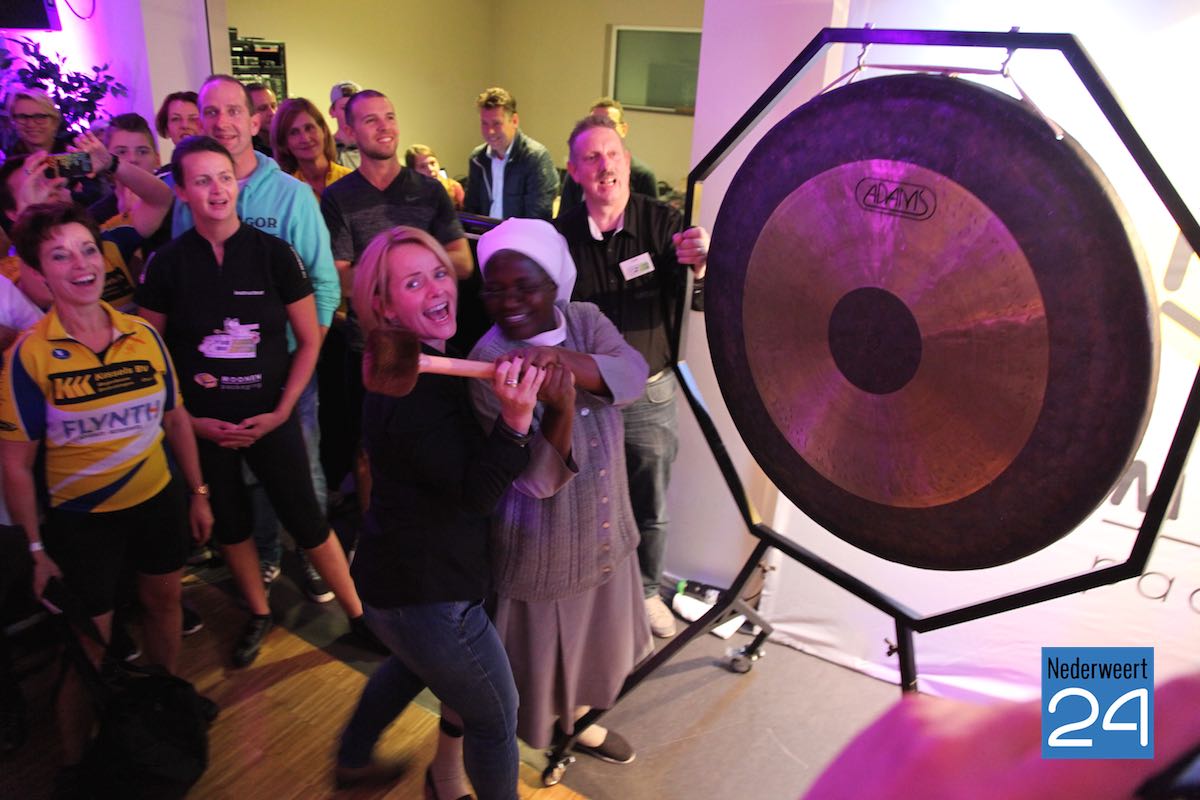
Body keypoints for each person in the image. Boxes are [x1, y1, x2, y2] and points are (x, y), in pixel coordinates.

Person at [0, 201, 212, 792]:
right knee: (86, 648)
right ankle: (73, 765)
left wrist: (198, 493)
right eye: (60, 255)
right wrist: (36, 548)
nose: (81, 265)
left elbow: (176, 419)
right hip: (83, 521)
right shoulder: (29, 356)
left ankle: (163, 709)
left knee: (164, 607)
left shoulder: (143, 334)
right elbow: (15, 465)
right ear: (39, 273)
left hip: (157, 500)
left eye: (88, 249)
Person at [136, 135, 367, 667]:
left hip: (271, 415)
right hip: (205, 425)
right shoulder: (168, 265)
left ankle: (358, 615)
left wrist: (284, 409)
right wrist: (190, 421)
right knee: (231, 522)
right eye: (202, 180)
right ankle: (259, 612)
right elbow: (152, 357)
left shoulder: (274, 254)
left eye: (224, 178)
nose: (217, 190)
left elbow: (309, 340)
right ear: (182, 191)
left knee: (307, 519)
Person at [336, 225, 544, 800]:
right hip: (430, 596)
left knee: (411, 667)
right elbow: (477, 494)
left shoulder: (422, 362)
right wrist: (516, 423)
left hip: (388, 579)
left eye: (437, 273)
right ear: (383, 306)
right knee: (495, 717)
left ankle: (351, 760)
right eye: (412, 283)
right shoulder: (411, 398)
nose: (436, 289)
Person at [469, 217, 652, 763]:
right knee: (540, 665)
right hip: (544, 545)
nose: (510, 302)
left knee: (596, 647)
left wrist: (562, 362)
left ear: (555, 283)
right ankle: (544, 737)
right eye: (495, 289)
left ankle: (581, 724)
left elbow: (633, 376)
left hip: (604, 525)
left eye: (525, 286)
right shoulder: (486, 363)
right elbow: (534, 479)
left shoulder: (585, 319)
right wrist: (562, 407)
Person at [171, 74, 342, 606]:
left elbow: (324, 283)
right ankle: (266, 556)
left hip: (285, 367)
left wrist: (304, 352)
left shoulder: (291, 194)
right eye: (210, 112)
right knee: (240, 477)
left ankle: (311, 558)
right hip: (219, 374)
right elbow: (184, 283)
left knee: (303, 470)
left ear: (254, 121)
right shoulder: (186, 196)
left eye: (232, 111)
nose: (221, 121)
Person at [556, 114, 710, 638]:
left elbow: (699, 296)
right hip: (587, 398)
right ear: (574, 170)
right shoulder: (560, 236)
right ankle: (592, 595)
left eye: (613, 154)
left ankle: (646, 592)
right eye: (592, 158)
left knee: (650, 502)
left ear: (626, 160)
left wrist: (702, 265)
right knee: (585, 498)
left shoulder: (664, 223)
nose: (605, 166)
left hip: (650, 392)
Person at [464, 87, 558, 221]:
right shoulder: (478, 159)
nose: (490, 131)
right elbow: (471, 209)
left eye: (496, 123)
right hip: (485, 233)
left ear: (514, 121)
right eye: (484, 123)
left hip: (520, 235)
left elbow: (537, 219)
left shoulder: (535, 158)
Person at [557, 97, 659, 218]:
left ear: (623, 130)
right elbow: (564, 219)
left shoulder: (643, 176)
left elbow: (652, 222)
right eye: (595, 124)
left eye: (610, 124)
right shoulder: (578, 173)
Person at [272, 97, 353, 198]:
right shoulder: (284, 191)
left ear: (323, 130)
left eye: (309, 128)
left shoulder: (351, 180)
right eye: (294, 132)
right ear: (284, 143)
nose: (305, 138)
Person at [4, 88, 66, 157]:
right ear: (13, 122)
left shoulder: (72, 152)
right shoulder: (6, 160)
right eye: (22, 117)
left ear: (54, 122)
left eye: (39, 116)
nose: (31, 124)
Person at [405, 144, 464, 210]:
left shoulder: (454, 187)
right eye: (422, 166)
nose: (431, 169)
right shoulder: (408, 195)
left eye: (432, 163)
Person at [329, 80, 362, 169]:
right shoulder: (324, 149)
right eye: (344, 108)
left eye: (356, 107)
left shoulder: (372, 147)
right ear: (332, 111)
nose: (351, 113)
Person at [246, 82, 278, 157]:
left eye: (273, 106)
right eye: (263, 108)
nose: (272, 113)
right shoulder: (246, 150)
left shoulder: (288, 140)